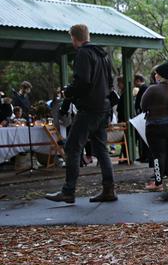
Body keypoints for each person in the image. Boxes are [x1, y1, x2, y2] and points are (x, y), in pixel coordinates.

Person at [45, 24, 117, 204]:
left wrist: (69, 91)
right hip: (103, 107)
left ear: (73, 38)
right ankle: (109, 190)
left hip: (89, 108)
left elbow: (83, 81)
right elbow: (109, 82)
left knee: (72, 148)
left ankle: (68, 191)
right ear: (88, 35)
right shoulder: (103, 55)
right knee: (101, 149)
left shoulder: (84, 53)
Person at [140, 61, 168, 190]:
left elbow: (142, 106)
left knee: (158, 156)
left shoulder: (152, 89)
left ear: (159, 75)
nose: (155, 76)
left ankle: (158, 183)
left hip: (155, 126)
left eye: (156, 74)